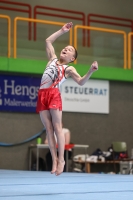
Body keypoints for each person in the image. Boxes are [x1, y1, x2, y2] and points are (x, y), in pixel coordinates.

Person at [36, 22, 98, 176]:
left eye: (70, 50)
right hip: (42, 95)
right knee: (48, 130)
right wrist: (62, 31)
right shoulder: (52, 59)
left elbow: (81, 82)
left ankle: (62, 159)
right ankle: (55, 159)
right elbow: (48, 41)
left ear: (72, 58)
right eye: (66, 47)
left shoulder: (69, 68)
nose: (66, 49)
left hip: (54, 94)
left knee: (57, 128)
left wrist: (90, 71)